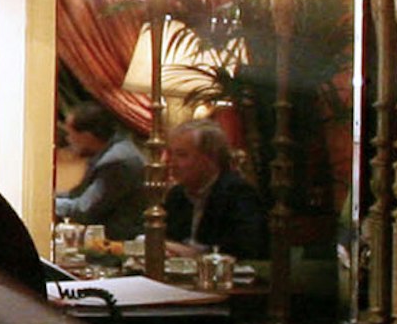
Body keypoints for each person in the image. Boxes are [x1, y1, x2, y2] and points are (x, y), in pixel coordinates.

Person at [159, 119, 268, 260]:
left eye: (181, 155)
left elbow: (245, 251)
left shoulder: (238, 194)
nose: (171, 163)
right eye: (171, 154)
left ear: (210, 158)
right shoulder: (177, 195)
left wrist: (194, 254)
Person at [53, 98, 148, 234]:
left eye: (70, 134)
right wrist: (47, 197)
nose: (68, 140)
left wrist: (45, 205)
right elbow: (77, 194)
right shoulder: (108, 153)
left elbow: (83, 209)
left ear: (87, 136)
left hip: (121, 243)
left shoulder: (117, 161)